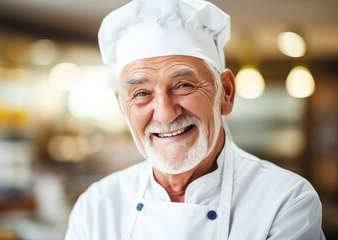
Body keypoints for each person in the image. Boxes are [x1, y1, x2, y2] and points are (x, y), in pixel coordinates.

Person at [65, 0, 325, 239]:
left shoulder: (286, 201)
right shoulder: (96, 208)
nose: (165, 113)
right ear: (123, 109)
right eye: (141, 94)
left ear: (226, 93)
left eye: (183, 85)